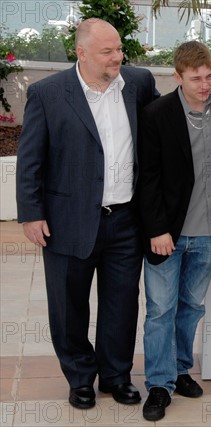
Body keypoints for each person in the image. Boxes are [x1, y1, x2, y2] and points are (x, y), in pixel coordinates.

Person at [16, 18, 159, 409]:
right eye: (107, 52)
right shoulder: (48, 93)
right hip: (66, 220)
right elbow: (31, 159)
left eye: (119, 49)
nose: (118, 57)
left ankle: (116, 376)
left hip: (126, 219)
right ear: (81, 53)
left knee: (122, 303)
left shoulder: (140, 83)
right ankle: (80, 377)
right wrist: (31, 213)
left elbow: (158, 136)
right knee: (68, 304)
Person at [136, 41, 211, 421]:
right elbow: (148, 179)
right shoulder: (156, 115)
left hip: (209, 231)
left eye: (209, 76)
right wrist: (157, 228)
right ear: (177, 77)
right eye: (196, 78)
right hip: (168, 234)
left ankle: (179, 369)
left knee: (191, 308)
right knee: (160, 309)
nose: (205, 84)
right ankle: (159, 384)